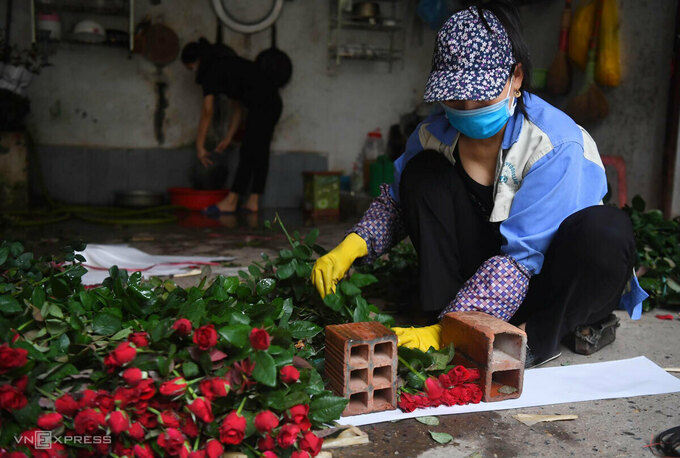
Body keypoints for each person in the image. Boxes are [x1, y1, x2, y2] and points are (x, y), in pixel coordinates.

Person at [311, 1, 648, 368]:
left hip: (552, 277)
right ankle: (444, 314)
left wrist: (451, 333)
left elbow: (521, 260)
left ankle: (533, 334)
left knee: (606, 231)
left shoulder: (554, 144)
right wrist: (352, 245)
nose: (469, 107)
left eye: (481, 95)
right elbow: (396, 203)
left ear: (515, 77)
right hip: (487, 278)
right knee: (423, 172)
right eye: (457, 97)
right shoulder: (433, 133)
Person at [182, 38, 283, 213]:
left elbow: (207, 112)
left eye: (190, 68)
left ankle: (231, 201)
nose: (192, 71)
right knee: (259, 152)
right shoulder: (224, 66)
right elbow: (237, 108)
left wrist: (200, 146)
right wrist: (228, 137)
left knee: (249, 152)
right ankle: (253, 201)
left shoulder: (210, 72)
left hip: (263, 104)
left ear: (196, 62)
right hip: (272, 102)